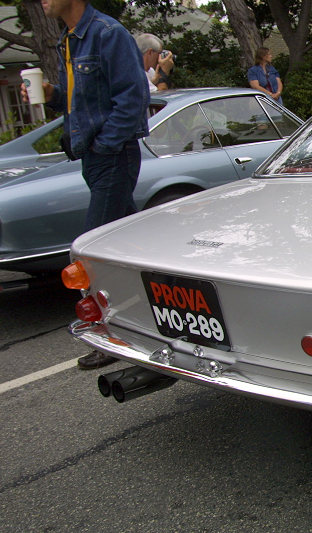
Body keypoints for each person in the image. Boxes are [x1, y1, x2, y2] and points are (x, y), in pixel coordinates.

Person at [20, 0, 149, 369]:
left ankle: (105, 338)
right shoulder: (71, 38)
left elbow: (133, 98)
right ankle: (155, 319)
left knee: (90, 250)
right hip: (94, 157)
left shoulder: (109, 33)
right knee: (134, 245)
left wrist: (105, 145)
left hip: (112, 154)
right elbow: (84, 102)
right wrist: (52, 94)